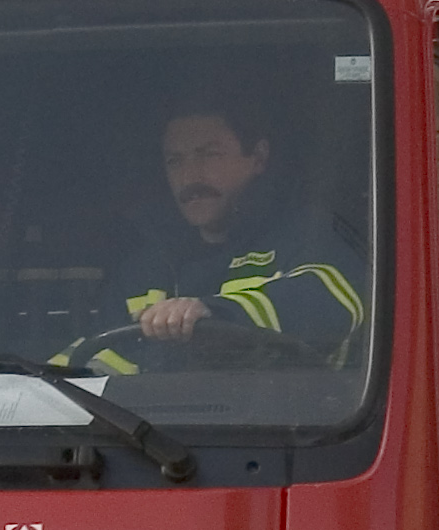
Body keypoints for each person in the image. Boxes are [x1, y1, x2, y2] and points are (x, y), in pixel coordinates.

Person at [93, 94, 365, 368]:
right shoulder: (141, 272)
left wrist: (214, 312)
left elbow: (330, 302)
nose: (190, 177)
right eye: (175, 161)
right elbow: (98, 367)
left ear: (258, 157)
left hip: (308, 411)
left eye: (210, 155)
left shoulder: (310, 235)